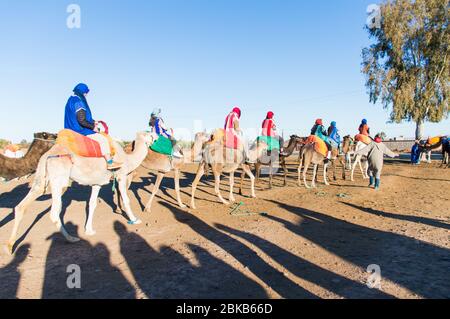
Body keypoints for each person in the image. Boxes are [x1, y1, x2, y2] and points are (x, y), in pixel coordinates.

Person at [64, 83, 122, 170]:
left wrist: (93, 121)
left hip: (71, 128)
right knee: (103, 140)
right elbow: (82, 120)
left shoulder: (71, 100)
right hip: (79, 130)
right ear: (83, 92)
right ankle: (110, 162)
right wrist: (93, 127)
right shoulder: (79, 102)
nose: (86, 95)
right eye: (86, 93)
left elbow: (79, 117)